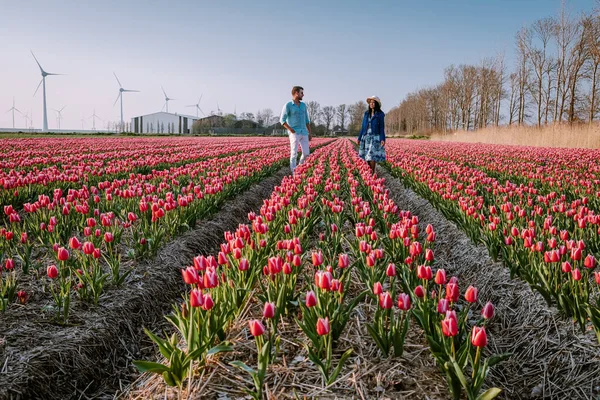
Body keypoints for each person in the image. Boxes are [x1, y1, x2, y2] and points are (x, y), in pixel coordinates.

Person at [280, 86, 312, 173]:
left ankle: (299, 167)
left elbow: (306, 120)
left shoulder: (303, 105)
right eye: (301, 93)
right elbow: (282, 120)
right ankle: (294, 172)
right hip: (294, 133)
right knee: (294, 153)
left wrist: (310, 132)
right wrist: (290, 129)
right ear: (296, 93)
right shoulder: (288, 105)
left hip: (304, 132)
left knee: (306, 153)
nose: (303, 95)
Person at [358, 95, 386, 174]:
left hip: (375, 137)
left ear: (376, 104)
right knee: (367, 156)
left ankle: (372, 172)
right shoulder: (366, 114)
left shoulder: (380, 114)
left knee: (372, 156)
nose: (371, 104)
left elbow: (381, 127)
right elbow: (363, 126)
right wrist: (359, 138)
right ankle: (369, 172)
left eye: (373, 102)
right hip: (366, 137)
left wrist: (382, 139)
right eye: (370, 102)